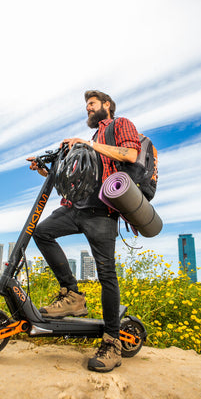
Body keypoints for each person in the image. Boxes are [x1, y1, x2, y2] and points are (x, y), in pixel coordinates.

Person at [28, 90, 141, 372]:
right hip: (75, 207)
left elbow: (130, 154)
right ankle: (73, 295)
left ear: (107, 105)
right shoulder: (90, 142)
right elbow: (77, 176)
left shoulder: (120, 125)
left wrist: (87, 145)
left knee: (106, 274)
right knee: (41, 232)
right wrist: (46, 170)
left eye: (91, 104)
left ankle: (112, 342)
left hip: (102, 212)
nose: (88, 109)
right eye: (86, 106)